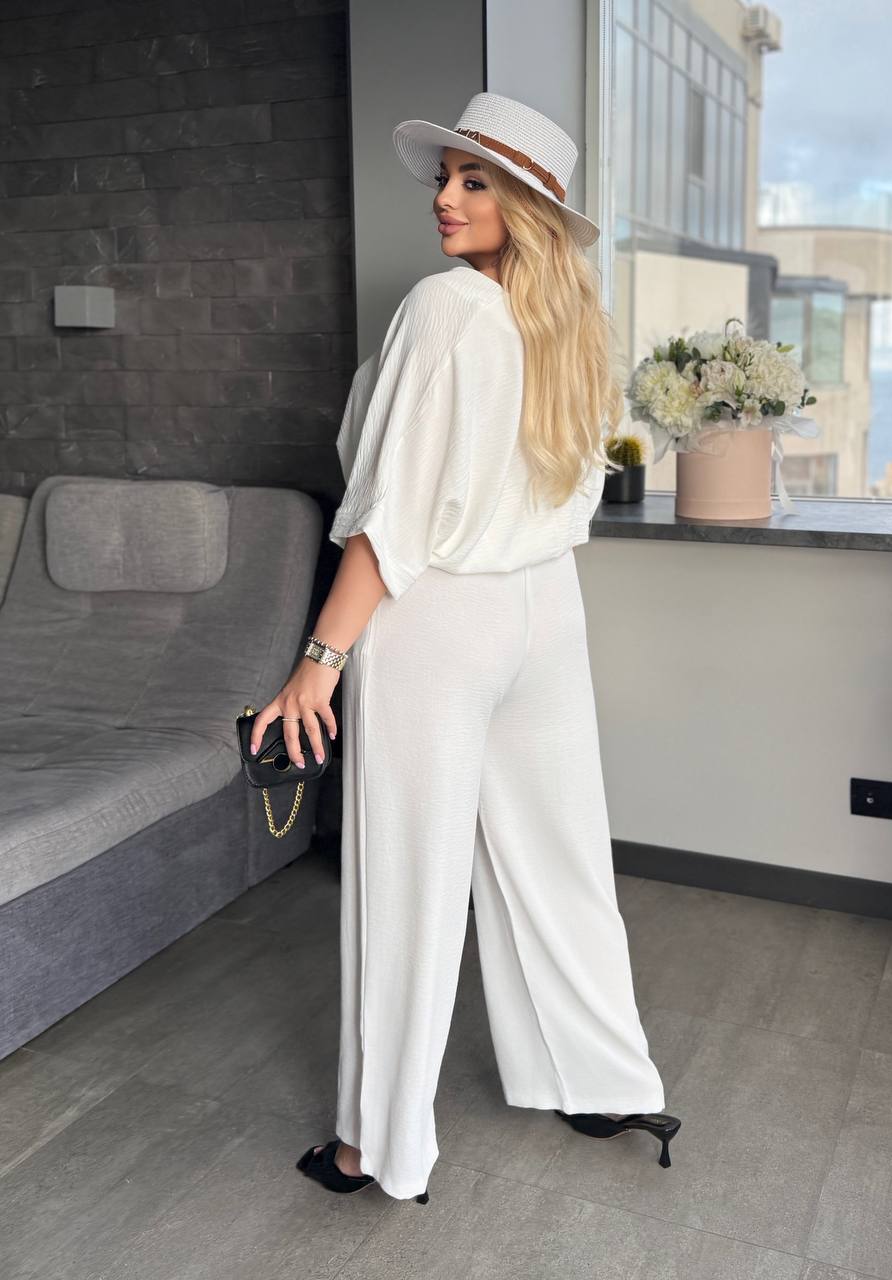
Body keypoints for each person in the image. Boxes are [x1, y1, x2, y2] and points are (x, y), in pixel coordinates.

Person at [249, 91, 681, 1206]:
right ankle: (603, 1078)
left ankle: (374, 1144)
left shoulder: (444, 306)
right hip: (545, 609)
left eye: (473, 180)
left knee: (406, 885)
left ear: (525, 205)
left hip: (440, 616)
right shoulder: (571, 324)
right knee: (563, 860)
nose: (445, 197)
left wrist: (318, 660)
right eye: (445, 176)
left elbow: (391, 517)